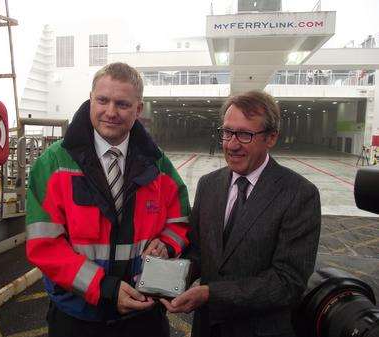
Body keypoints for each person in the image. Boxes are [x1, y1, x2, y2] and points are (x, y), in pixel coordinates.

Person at [26, 62, 190, 337]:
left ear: (138, 109)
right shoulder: (52, 165)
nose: (110, 112)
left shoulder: (159, 165)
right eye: (102, 100)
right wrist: (103, 288)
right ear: (90, 99)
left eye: (122, 104)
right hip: (77, 318)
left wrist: (167, 244)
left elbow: (180, 221)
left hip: (143, 315)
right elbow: (44, 246)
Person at [161, 90, 321, 337]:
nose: (231, 144)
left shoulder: (299, 194)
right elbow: (197, 252)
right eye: (226, 132)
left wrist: (210, 293)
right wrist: (167, 279)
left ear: (271, 138)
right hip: (207, 327)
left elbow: (288, 282)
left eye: (245, 134)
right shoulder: (208, 184)